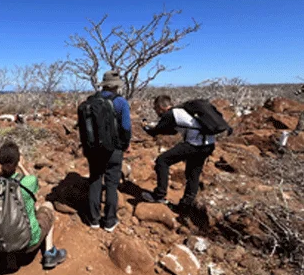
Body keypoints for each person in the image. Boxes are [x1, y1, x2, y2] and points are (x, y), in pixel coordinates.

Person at [0, 141, 67, 269]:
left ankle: (11, 260)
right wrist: (22, 167)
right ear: (18, 160)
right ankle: (50, 253)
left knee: (8, 217)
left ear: (0, 163)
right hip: (29, 241)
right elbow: (34, 183)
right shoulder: (27, 182)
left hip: (4, 244)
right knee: (48, 207)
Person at [141, 95, 215, 213]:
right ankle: (186, 206)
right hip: (209, 145)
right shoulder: (182, 112)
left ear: (161, 107)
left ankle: (159, 195)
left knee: (162, 161)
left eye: (155, 109)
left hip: (195, 145)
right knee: (193, 174)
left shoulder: (170, 114)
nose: (156, 112)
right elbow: (172, 130)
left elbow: (156, 131)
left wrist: (145, 127)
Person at [85, 71, 131, 232]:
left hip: (93, 149)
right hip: (114, 149)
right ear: (116, 86)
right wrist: (126, 145)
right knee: (111, 183)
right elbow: (126, 127)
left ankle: (94, 220)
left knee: (95, 180)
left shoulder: (91, 101)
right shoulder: (120, 102)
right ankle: (110, 221)